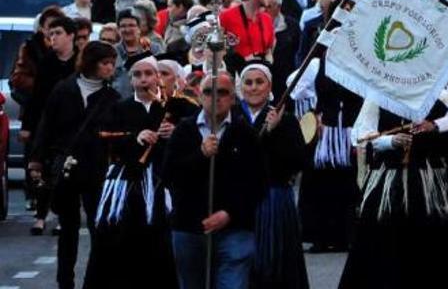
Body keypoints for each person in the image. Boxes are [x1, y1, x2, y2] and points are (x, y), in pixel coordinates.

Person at [340, 89, 448, 288]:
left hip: (432, 183)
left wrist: (433, 125)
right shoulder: (379, 94)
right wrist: (390, 141)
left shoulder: (435, 91)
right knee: (385, 246)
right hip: (391, 182)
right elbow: (360, 135)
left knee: (435, 248)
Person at [163, 71, 267, 289]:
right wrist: (200, 155)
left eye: (222, 92)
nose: (215, 97)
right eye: (209, 92)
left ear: (232, 98)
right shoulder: (184, 131)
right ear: (200, 96)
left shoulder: (244, 133)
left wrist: (230, 213)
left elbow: (256, 183)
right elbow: (169, 175)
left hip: (234, 230)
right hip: (190, 228)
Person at [28, 41, 120, 289]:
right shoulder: (64, 89)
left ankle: (95, 281)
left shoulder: (111, 96)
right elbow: (46, 125)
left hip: (97, 167)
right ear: (91, 63)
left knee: (97, 227)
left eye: (112, 63)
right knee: (67, 229)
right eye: (104, 63)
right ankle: (64, 281)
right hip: (66, 166)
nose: (109, 68)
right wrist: (36, 160)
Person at [88, 54, 178, 289]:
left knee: (161, 244)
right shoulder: (119, 108)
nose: (143, 79)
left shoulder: (173, 108)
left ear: (158, 77)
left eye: (149, 74)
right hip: (126, 185)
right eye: (138, 74)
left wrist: (174, 133)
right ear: (130, 80)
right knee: (118, 242)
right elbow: (103, 138)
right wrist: (134, 138)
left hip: (162, 185)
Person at [233, 64, 310, 289]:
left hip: (273, 200)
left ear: (269, 87)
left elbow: (299, 162)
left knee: (274, 264)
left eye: (259, 82)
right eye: (248, 82)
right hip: (239, 200)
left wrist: (274, 133)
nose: (254, 88)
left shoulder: (285, 120)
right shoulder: (233, 119)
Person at [297, 52, 363, 253]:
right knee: (320, 184)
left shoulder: (359, 64)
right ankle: (321, 236)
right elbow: (298, 87)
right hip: (326, 132)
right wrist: (316, 111)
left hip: (350, 130)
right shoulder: (318, 65)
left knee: (348, 184)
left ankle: (345, 236)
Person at [22, 17, 80, 236]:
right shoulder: (47, 62)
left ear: (71, 35)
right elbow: (36, 97)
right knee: (43, 170)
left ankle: (62, 217)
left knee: (66, 172)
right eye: (50, 34)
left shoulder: (80, 62)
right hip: (48, 123)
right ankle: (40, 215)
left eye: (57, 33)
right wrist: (28, 125)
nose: (52, 38)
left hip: (74, 125)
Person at [219, 0, 275, 65]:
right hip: (236, 73)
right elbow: (217, 50)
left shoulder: (267, 19)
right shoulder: (226, 17)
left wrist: (266, 62)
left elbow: (269, 50)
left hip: (261, 72)